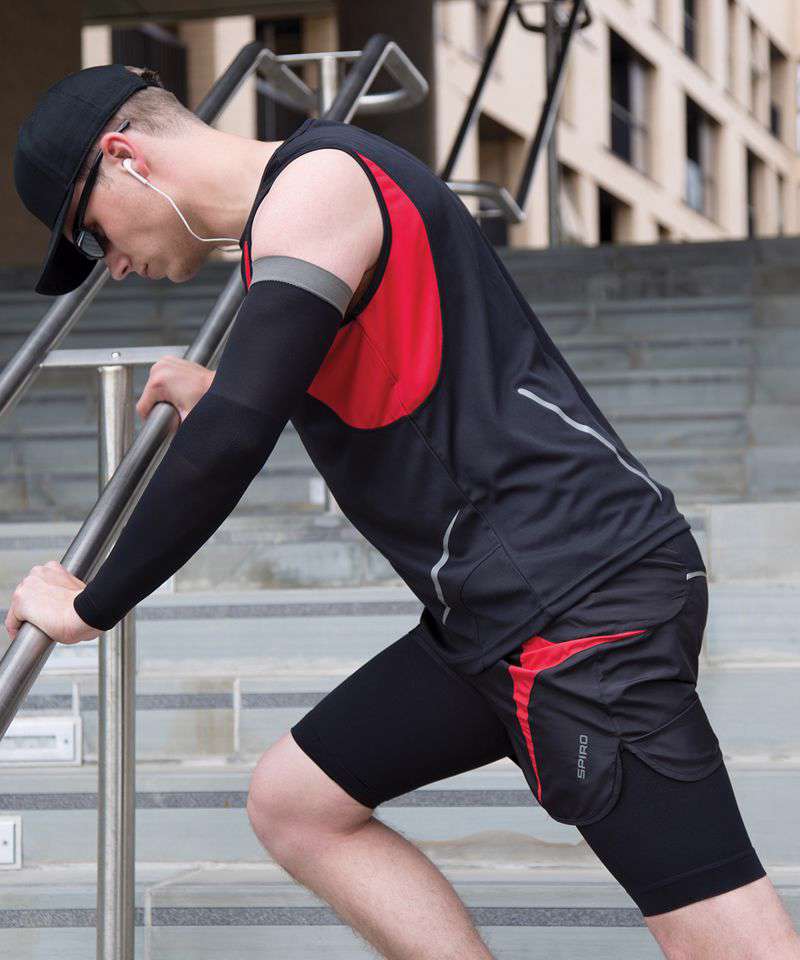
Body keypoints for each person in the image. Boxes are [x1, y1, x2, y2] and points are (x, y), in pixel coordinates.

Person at [8, 63, 799, 960]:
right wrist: (225, 387)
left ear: (126, 157)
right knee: (296, 804)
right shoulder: (305, 208)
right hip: (493, 611)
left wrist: (91, 602)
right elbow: (380, 373)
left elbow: (232, 439)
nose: (112, 262)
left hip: (578, 604)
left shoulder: (318, 185)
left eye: (92, 231)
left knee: (731, 946)